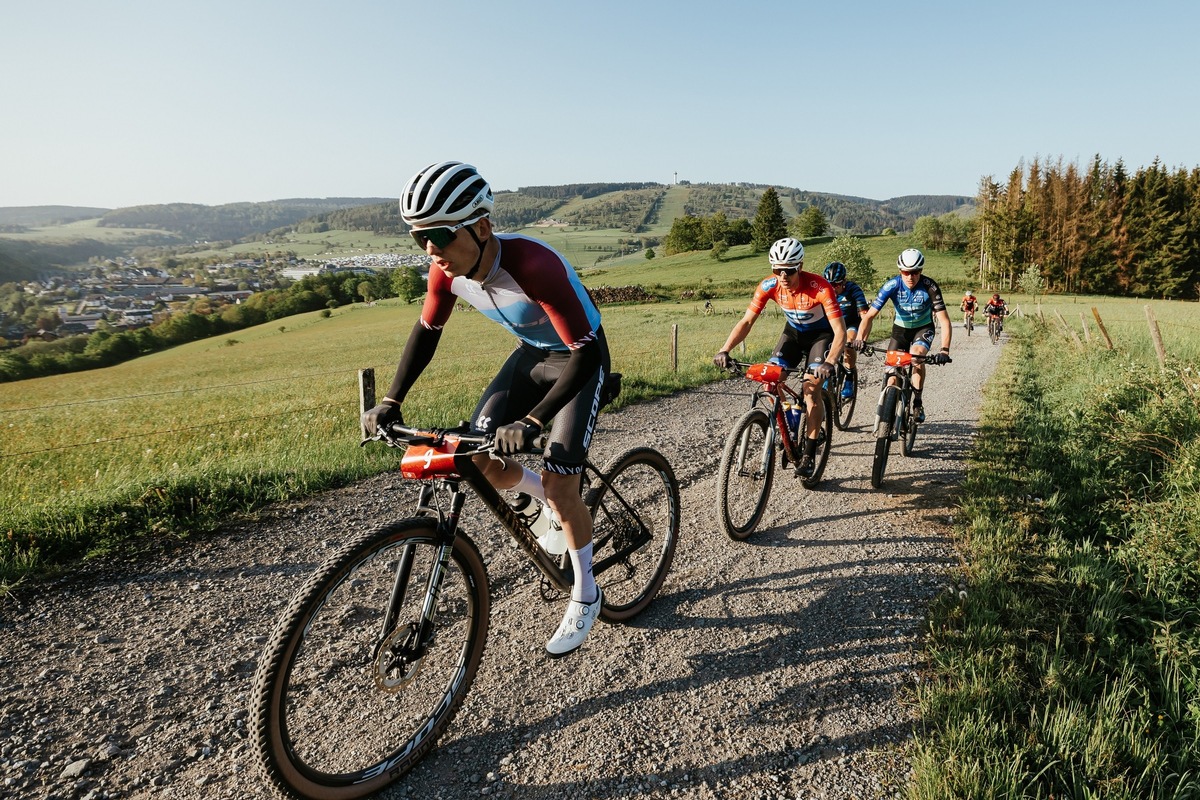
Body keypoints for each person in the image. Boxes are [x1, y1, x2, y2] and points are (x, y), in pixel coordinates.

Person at [361, 161, 609, 658]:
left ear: (480, 225)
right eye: (418, 238)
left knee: (563, 483)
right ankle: (547, 504)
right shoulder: (445, 273)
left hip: (581, 358)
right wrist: (391, 401)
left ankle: (586, 591)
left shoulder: (533, 266)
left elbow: (583, 354)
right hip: (531, 356)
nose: (431, 250)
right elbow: (427, 333)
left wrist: (533, 421)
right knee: (476, 458)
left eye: (439, 234)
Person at [713, 237, 846, 478]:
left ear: (800, 267)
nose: (783, 276)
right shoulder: (769, 286)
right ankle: (790, 415)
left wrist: (830, 362)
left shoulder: (820, 288)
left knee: (810, 389)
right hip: (793, 334)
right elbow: (746, 322)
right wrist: (725, 349)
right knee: (770, 379)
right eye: (777, 270)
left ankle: (809, 452)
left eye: (789, 270)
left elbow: (840, 332)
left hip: (821, 336)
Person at [852, 248, 952, 423]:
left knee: (917, 356)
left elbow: (944, 321)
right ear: (900, 271)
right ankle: (889, 413)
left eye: (915, 272)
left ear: (921, 271)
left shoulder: (930, 286)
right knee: (892, 374)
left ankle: (918, 402)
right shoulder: (892, 285)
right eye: (906, 272)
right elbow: (869, 316)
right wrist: (861, 339)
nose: (910, 277)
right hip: (900, 330)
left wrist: (944, 350)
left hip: (923, 328)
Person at [822, 261, 869, 399]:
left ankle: (849, 378)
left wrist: (862, 338)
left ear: (844, 281)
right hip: (831, 325)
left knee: (848, 343)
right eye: (829, 283)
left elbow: (864, 315)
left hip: (850, 323)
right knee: (824, 346)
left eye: (836, 284)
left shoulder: (853, 289)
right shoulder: (824, 291)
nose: (832, 287)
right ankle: (828, 377)